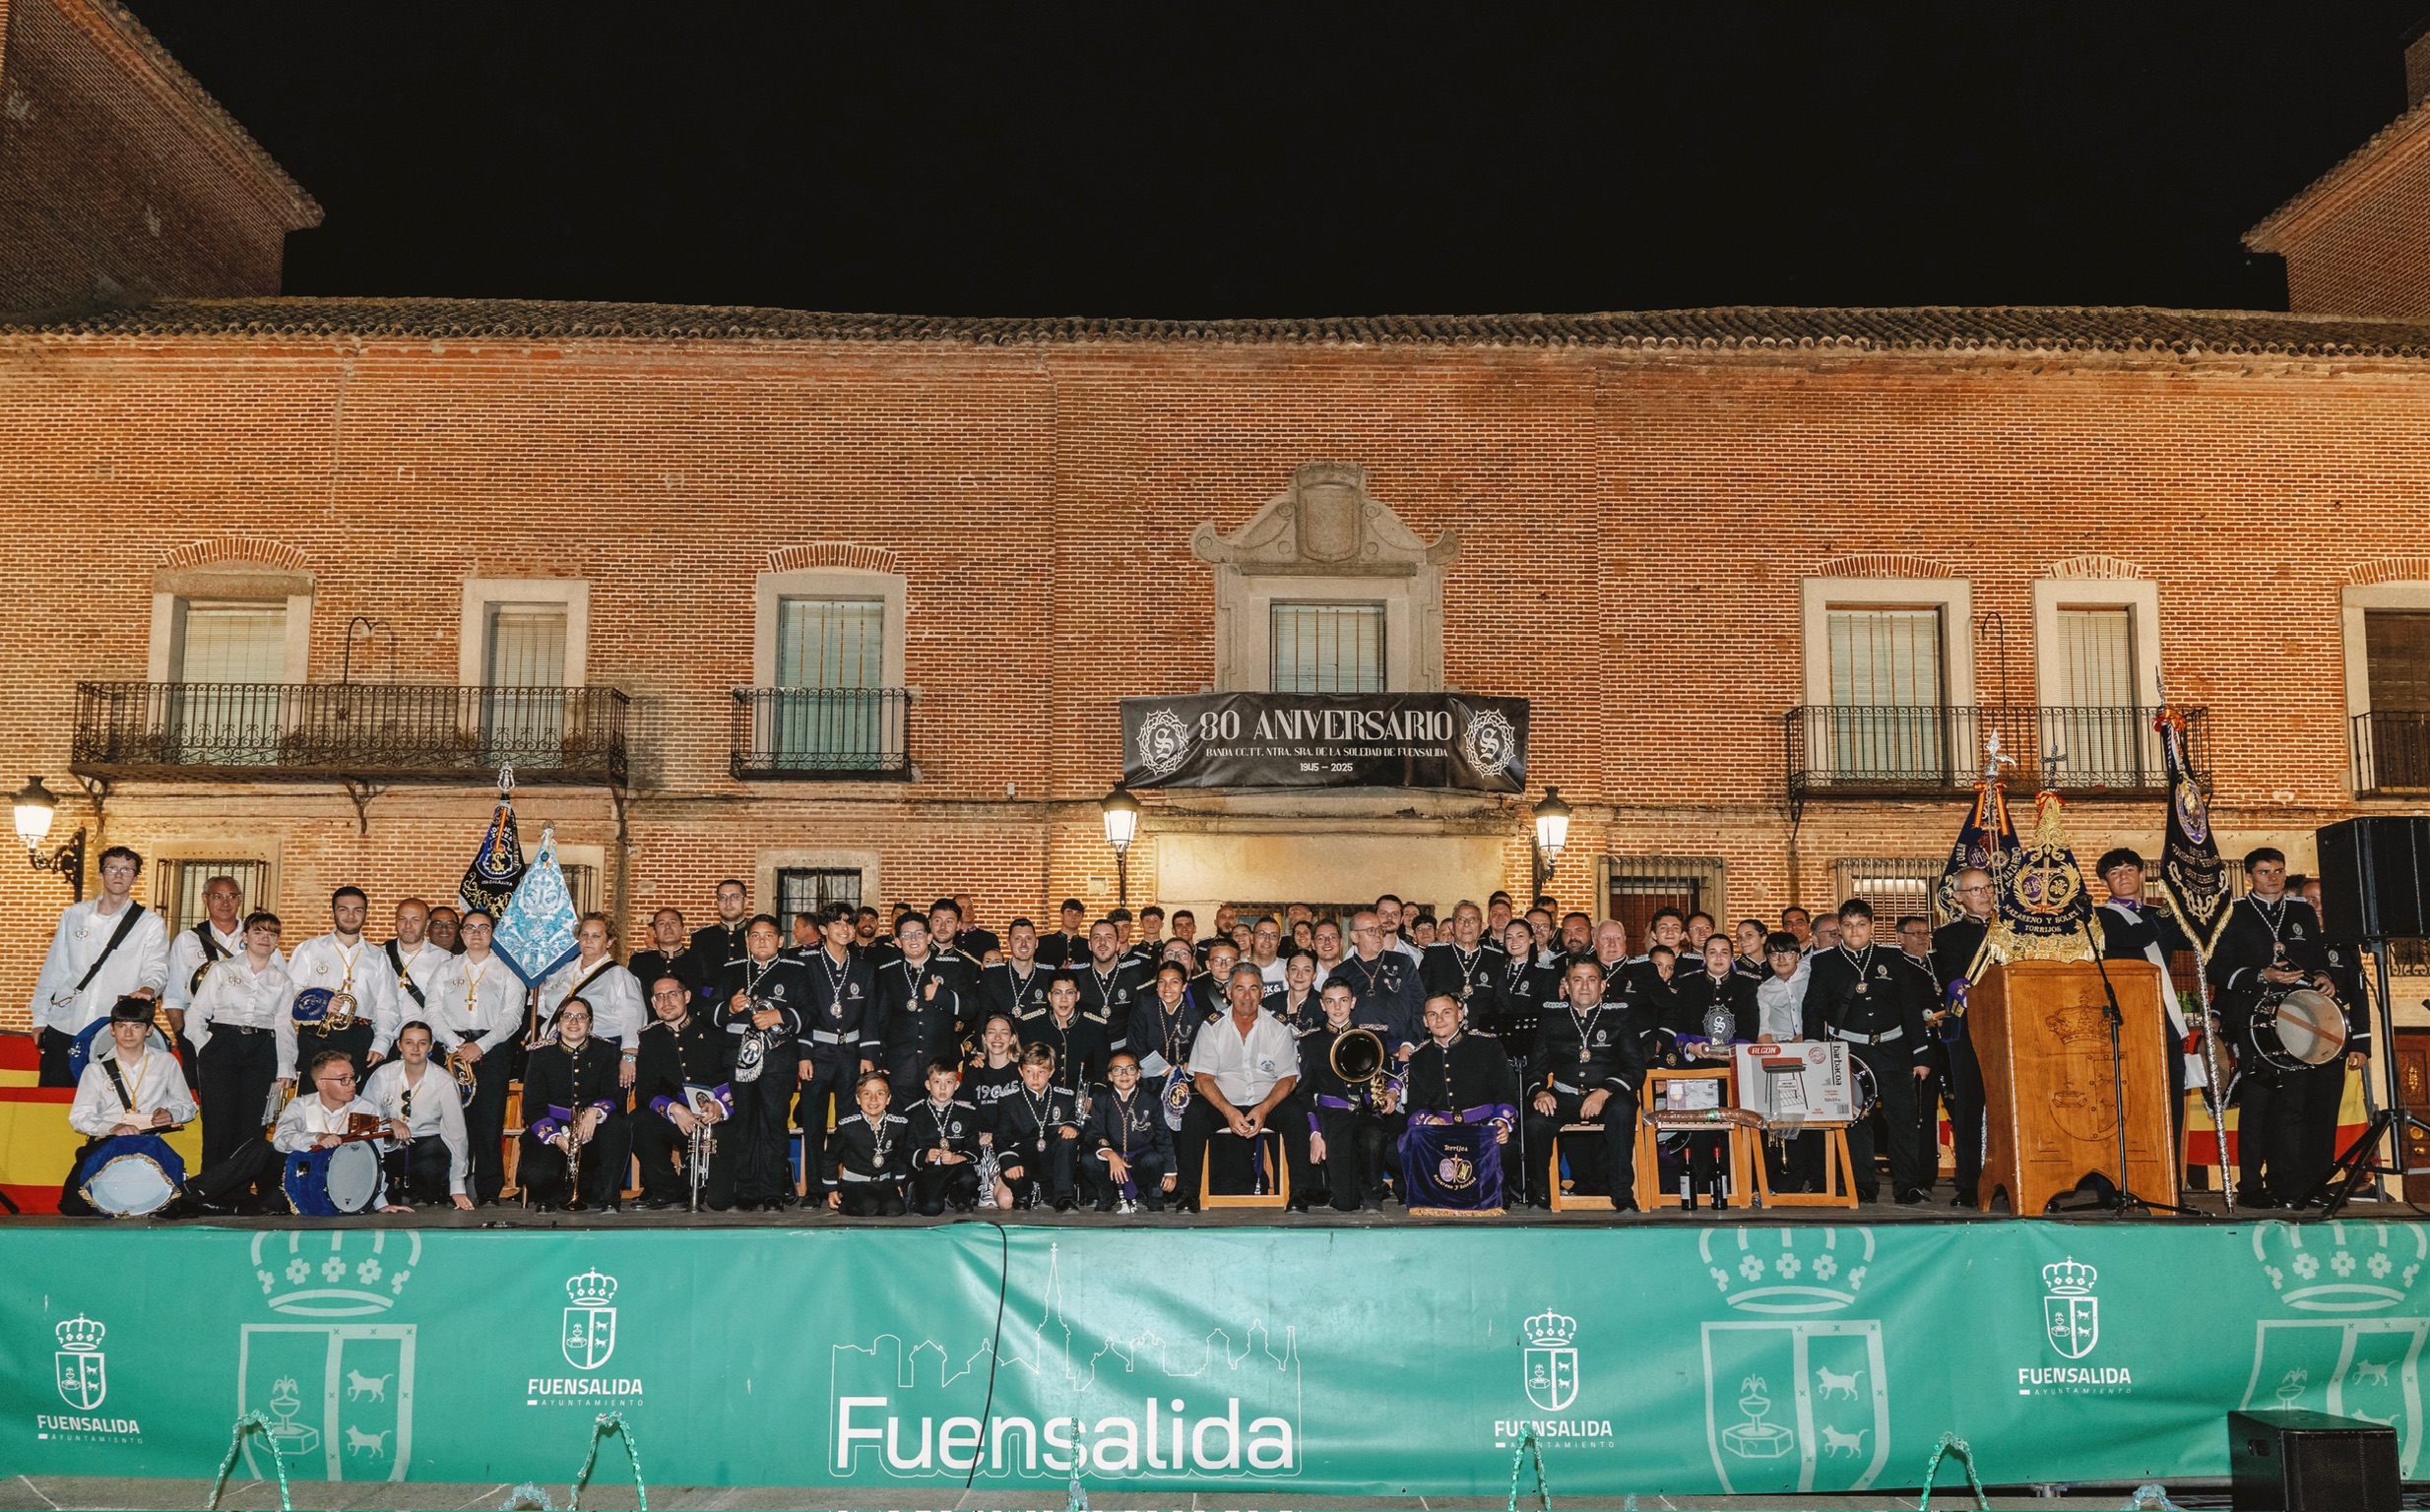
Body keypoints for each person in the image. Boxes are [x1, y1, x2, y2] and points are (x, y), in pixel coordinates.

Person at [2208, 847, 2338, 1207]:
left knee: (2293, 1106)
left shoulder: (2300, 910)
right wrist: (2260, 975)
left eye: (2279, 871)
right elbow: (2215, 968)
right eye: (2265, 872)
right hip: (2252, 1020)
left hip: (2297, 1019)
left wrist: (2324, 976)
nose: (2274, 878)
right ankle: (2250, 1186)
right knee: (2257, 1104)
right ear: (2250, 875)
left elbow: (2315, 955)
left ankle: (2288, 1185)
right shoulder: (2233, 912)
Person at [1803, 898, 1932, 1205]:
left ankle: (1907, 1185)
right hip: (1849, 1050)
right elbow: (1813, 1009)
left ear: (1872, 927)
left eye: (1861, 924)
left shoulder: (1894, 958)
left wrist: (1921, 1055)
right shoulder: (1824, 962)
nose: (1854, 931)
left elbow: (1910, 1009)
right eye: (1847, 926)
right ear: (1841, 930)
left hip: (1893, 1048)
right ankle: (1862, 1184)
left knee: (1901, 1118)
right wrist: (1813, 1051)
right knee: (1856, 1119)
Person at [1175, 966, 1314, 1213]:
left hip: (1267, 1100)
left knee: (1295, 1113)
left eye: (1253, 989)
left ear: (1262, 993)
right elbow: (1203, 1079)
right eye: (1240, 988)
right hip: (1224, 1101)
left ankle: (1299, 1192)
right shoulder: (1212, 1027)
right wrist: (1229, 1111)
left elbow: (1289, 1078)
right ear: (1228, 992)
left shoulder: (1278, 1026)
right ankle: (1188, 1193)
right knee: (1194, 1114)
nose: (1246, 996)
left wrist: (1263, 1109)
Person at [2094, 849, 2202, 1167]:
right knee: (2124, 1101)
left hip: (2164, 1022)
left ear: (2142, 875)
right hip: (2126, 1022)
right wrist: (2171, 911)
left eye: (2130, 869)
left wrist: (2202, 908)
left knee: (2170, 1101)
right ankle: (2117, 1177)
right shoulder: (2101, 917)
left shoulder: (2160, 916)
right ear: (2105, 882)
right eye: (2115, 873)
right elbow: (2132, 938)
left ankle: (2168, 1174)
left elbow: (2198, 940)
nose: (2124, 876)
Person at [177, 1048, 382, 1216]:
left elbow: (375, 1159)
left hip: (335, 1184)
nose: (352, 1084)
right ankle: (187, 1193)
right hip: (293, 1175)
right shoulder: (301, 1105)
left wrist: (381, 1203)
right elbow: (280, 1140)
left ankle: (223, 1205)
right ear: (322, 1084)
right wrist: (316, 1137)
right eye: (343, 1079)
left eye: (353, 1077)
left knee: (270, 1205)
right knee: (260, 1148)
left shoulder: (366, 1109)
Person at [32, 845, 167, 1086]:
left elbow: (157, 966)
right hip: (65, 1022)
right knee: (54, 1099)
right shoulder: (74, 915)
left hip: (112, 1029)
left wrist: (149, 989)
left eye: (127, 870)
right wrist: (39, 1019)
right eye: (112, 868)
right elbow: (55, 969)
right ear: (101, 873)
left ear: (135, 878)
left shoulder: (149, 923)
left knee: (109, 1104)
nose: (118, 874)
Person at [1522, 958, 1648, 1211]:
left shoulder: (1620, 1016)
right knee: (1535, 1121)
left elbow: (1636, 1069)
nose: (1584, 986)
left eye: (1591, 979)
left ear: (1602, 986)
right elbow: (1535, 1067)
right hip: (1563, 1096)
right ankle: (1542, 1193)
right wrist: (1539, 1092)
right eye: (1576, 980)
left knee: (1623, 1111)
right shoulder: (1552, 1017)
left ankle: (1622, 1194)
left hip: (1608, 1096)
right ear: (1566, 986)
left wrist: (1604, 1092)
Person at [60, 996, 197, 1216]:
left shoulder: (166, 1062)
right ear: (112, 1030)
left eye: (137, 1026)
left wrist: (171, 1114)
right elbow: (79, 1118)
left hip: (148, 1145)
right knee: (72, 1207)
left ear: (149, 1030)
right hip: (106, 1144)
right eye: (121, 1026)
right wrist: (112, 1127)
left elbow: (188, 1106)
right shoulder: (95, 1070)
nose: (129, 1033)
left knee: (171, 1208)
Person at [427, 910, 526, 1206]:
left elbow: (513, 1015)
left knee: (488, 1121)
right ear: (461, 933)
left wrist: (480, 1045)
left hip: (492, 1050)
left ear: (493, 933)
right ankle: (449, 1187)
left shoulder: (507, 969)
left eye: (483, 928)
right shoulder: (446, 968)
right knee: (452, 1119)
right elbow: (432, 1011)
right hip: (452, 1049)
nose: (476, 933)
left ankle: (488, 1190)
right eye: (469, 928)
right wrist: (458, 1044)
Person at [187, 909, 292, 1182]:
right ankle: (210, 1188)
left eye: (272, 933)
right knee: (219, 1122)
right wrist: (207, 1048)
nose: (265, 938)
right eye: (258, 931)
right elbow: (196, 1015)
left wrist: (285, 1067)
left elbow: (283, 1025)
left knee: (252, 1125)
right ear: (244, 937)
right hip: (222, 1044)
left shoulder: (281, 980)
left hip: (261, 1049)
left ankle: (240, 1190)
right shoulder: (222, 970)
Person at [716, 915, 810, 1211]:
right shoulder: (732, 970)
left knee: (773, 1125)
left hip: (778, 1059)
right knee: (744, 1125)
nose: (761, 941)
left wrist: (779, 1016)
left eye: (768, 936)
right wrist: (728, 1007)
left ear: (780, 941)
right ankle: (746, 1190)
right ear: (747, 941)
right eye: (755, 936)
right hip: (738, 1060)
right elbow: (708, 1014)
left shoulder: (795, 971)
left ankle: (772, 1192)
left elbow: (809, 1013)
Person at [1400, 994, 1521, 1215]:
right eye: (1432, 1014)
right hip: (1442, 1131)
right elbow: (1415, 1105)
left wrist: (1501, 1122)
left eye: (1446, 1012)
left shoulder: (1487, 1046)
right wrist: (1429, 1120)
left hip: (1483, 1127)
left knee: (1508, 1148)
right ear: (1425, 1021)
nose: (1439, 1019)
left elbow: (1506, 1091)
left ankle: (1496, 1192)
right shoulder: (1419, 1057)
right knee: (1399, 1148)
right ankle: (1433, 1199)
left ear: (1460, 1014)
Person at [518, 997, 631, 1212]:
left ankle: (609, 1200)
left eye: (581, 1017)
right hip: (554, 1125)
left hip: (593, 1127)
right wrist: (556, 1137)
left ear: (590, 1024)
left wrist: (594, 1113)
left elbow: (613, 1094)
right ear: (558, 1023)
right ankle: (552, 1194)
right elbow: (532, 1107)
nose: (574, 1022)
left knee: (618, 1127)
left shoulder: (605, 1050)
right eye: (567, 1016)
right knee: (536, 1173)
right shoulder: (540, 1053)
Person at [631, 974, 734, 1210]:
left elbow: (738, 1075)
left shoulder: (713, 1028)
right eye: (659, 996)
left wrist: (721, 1105)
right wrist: (673, 1109)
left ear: (687, 996)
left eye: (673, 994)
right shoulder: (650, 1037)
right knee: (638, 1121)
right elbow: (646, 1092)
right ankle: (670, 1190)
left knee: (719, 1202)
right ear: (653, 1003)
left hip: (722, 1117)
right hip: (682, 1119)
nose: (666, 1001)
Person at [796, 904, 874, 1206]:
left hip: (851, 1054)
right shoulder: (808, 964)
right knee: (814, 1123)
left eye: (849, 924)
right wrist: (803, 1053)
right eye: (838, 924)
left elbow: (870, 1014)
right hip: (818, 1051)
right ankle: (815, 1188)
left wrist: (867, 1054)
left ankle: (843, 1184)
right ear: (824, 930)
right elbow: (802, 1012)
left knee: (848, 1123)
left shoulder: (864, 968)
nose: (845, 929)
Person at [1300, 979, 1398, 1211]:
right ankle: (1355, 1188)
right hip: (1332, 1118)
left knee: (1373, 1134)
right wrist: (1315, 1133)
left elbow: (1391, 1077)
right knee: (1345, 1203)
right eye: (1330, 1002)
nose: (1337, 1008)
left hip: (1365, 1112)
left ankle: (1374, 1192)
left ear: (1352, 1002)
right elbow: (1305, 1093)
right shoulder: (1311, 1041)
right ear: (1322, 1005)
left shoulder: (1372, 1037)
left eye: (1343, 1001)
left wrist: (1392, 1093)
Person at [285, 886, 401, 1083]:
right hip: (316, 1036)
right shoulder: (309, 949)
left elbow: (387, 1006)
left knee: (351, 1098)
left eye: (358, 910)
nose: (350, 915)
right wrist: (320, 1003)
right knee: (312, 1096)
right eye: (343, 909)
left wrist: (381, 1043)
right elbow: (289, 994)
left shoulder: (378, 956)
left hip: (358, 1037)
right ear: (333, 913)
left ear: (365, 914)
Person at [1931, 871, 1998, 1208]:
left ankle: (2021, 1176)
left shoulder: (2016, 931)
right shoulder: (1948, 936)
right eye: (1975, 890)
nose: (1985, 894)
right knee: (1969, 1106)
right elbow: (1954, 980)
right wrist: (1981, 1001)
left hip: (2016, 1028)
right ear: (1958, 897)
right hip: (1969, 1027)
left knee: (2016, 1105)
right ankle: (1970, 1183)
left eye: (1988, 887)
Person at [363, 1022, 474, 1210]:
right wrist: (390, 1122)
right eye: (409, 1042)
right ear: (399, 1045)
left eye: (422, 1043)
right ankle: (388, 1191)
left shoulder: (444, 1081)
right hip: (390, 1142)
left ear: (431, 1047)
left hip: (427, 1144)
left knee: (431, 1165)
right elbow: (365, 1116)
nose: (415, 1049)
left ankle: (425, 1190)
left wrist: (457, 1185)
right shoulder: (383, 1074)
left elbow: (456, 1135)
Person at [870, 912, 967, 1110]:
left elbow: (970, 1008)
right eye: (906, 935)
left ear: (929, 937)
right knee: (901, 1128)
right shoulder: (888, 972)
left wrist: (942, 995)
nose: (913, 939)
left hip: (939, 1070)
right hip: (900, 1069)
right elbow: (879, 1020)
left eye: (919, 934)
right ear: (897, 941)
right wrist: (878, 1058)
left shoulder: (952, 968)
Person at [539, 914, 646, 1068]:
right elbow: (545, 1008)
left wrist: (629, 1057)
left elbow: (634, 1018)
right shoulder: (562, 971)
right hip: (559, 1051)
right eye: (584, 934)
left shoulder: (620, 976)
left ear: (609, 942)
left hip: (602, 1054)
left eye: (596, 936)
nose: (588, 940)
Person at [163, 872, 251, 1055]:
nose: (225, 903)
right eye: (217, 896)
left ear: (240, 899)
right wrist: (183, 1037)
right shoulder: (187, 940)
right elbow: (173, 994)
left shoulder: (257, 937)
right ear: (205, 899)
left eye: (232, 896)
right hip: (200, 1033)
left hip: (248, 1034)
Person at [990, 1045, 1080, 1210]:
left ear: (1051, 1072)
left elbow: (1075, 1121)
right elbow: (1000, 1136)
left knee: (1068, 1138)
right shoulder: (1009, 1100)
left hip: (1052, 1161)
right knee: (1007, 1199)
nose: (1035, 1077)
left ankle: (1064, 1198)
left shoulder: (1064, 1098)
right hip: (1023, 1160)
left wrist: (1071, 1126)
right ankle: (1025, 1191)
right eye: (1029, 1071)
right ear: (1020, 1070)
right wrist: (1009, 1160)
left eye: (1041, 1072)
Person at [1083, 1052, 1176, 1212]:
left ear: (1139, 1074)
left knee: (1154, 1159)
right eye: (1117, 1070)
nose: (1124, 1074)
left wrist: (1170, 1170)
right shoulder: (1101, 1098)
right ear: (1110, 1076)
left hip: (1139, 1162)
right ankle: (1106, 1193)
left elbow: (1163, 1136)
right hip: (1111, 1163)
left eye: (1130, 1069)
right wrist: (1110, 1155)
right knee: (1088, 1160)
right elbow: (1094, 1133)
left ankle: (1154, 1194)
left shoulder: (1151, 1100)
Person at [1335, 911, 1423, 1061]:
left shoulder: (1402, 962)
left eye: (1379, 929)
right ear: (1354, 937)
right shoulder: (1341, 972)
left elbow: (1420, 1004)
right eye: (1371, 930)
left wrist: (1409, 1043)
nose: (1377, 935)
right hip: (1358, 1051)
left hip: (1401, 1048)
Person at [1020, 972, 1115, 1104]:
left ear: (1077, 996)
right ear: (1049, 996)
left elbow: (1102, 1070)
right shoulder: (1031, 1024)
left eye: (1069, 993)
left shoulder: (1095, 1026)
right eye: (1057, 993)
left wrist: (1092, 1098)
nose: (1063, 1000)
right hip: (1041, 1099)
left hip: (1079, 1100)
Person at [903, 1060, 983, 1215]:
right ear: (928, 1085)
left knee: (970, 1177)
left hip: (955, 1168)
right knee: (932, 1209)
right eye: (937, 1082)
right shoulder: (915, 1113)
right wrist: (924, 1156)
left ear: (957, 1085)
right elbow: (905, 1151)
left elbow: (974, 1150)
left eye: (949, 1082)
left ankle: (957, 1195)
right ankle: (916, 1194)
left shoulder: (967, 1113)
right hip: (928, 1170)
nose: (943, 1087)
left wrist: (956, 1157)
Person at [826, 1073, 912, 1216]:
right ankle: (846, 1203)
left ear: (889, 1098)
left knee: (896, 1209)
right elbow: (830, 1158)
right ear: (858, 1099)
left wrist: (897, 1183)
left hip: (883, 1182)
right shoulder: (848, 1127)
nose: (873, 1099)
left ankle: (877, 1202)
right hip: (855, 1183)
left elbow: (900, 1157)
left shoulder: (898, 1126)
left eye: (880, 1093)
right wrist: (832, 1189)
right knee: (868, 1207)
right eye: (867, 1094)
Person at [380, 899, 452, 1056]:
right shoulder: (378, 955)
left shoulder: (445, 960)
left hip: (423, 1045)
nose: (407, 926)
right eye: (402, 919)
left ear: (426, 925)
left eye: (415, 920)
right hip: (382, 1043)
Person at [1423, 902, 1506, 1030]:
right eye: (1461, 920)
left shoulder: (1495, 959)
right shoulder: (1435, 955)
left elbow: (1501, 1005)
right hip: (1443, 1033)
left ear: (1482, 927)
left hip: (1482, 1036)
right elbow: (1421, 996)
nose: (1466, 925)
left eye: (1472, 920)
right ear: (1452, 927)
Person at [1071, 919, 1141, 1038]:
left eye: (1108, 937)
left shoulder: (1135, 973)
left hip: (1123, 1050)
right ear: (1089, 945)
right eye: (1096, 937)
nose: (1102, 942)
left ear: (1118, 944)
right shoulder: (1075, 976)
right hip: (1088, 1049)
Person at [691, 879, 753, 1006]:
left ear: (745, 902)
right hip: (711, 1005)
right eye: (722, 897)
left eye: (734, 897)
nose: (728, 903)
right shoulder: (702, 937)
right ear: (717, 903)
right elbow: (695, 979)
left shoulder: (758, 934)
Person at [982, 917, 1054, 1022]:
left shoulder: (1049, 976)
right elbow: (983, 1019)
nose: (1023, 944)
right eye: (1017, 939)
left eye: (1028, 938)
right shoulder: (992, 976)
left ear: (1036, 943)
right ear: (1008, 943)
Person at [629, 908, 696, 996]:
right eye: (661, 923)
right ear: (655, 933)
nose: (667, 927)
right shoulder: (639, 962)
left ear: (683, 929)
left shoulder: (698, 960)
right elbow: (631, 995)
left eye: (673, 922)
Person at [1267, 949, 1324, 1032]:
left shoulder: (1322, 1007)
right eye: (1294, 969)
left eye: (1307, 970)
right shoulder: (1270, 1004)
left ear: (1314, 975)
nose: (1299, 975)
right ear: (1287, 973)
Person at [1038, 899, 1090, 968]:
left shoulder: (1088, 945)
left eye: (1078, 914)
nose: (1073, 917)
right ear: (1061, 916)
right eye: (1069, 913)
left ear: (1082, 917)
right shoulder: (1043, 943)